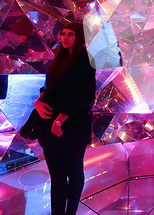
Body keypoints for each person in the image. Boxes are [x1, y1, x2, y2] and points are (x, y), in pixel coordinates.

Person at [34, 22, 96, 215]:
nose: (65, 38)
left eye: (71, 35)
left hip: (73, 127)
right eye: (63, 34)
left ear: (80, 38)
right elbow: (49, 86)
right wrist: (39, 101)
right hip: (49, 124)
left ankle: (71, 212)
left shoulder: (86, 60)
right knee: (57, 177)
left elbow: (86, 97)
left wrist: (60, 120)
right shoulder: (59, 58)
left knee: (75, 173)